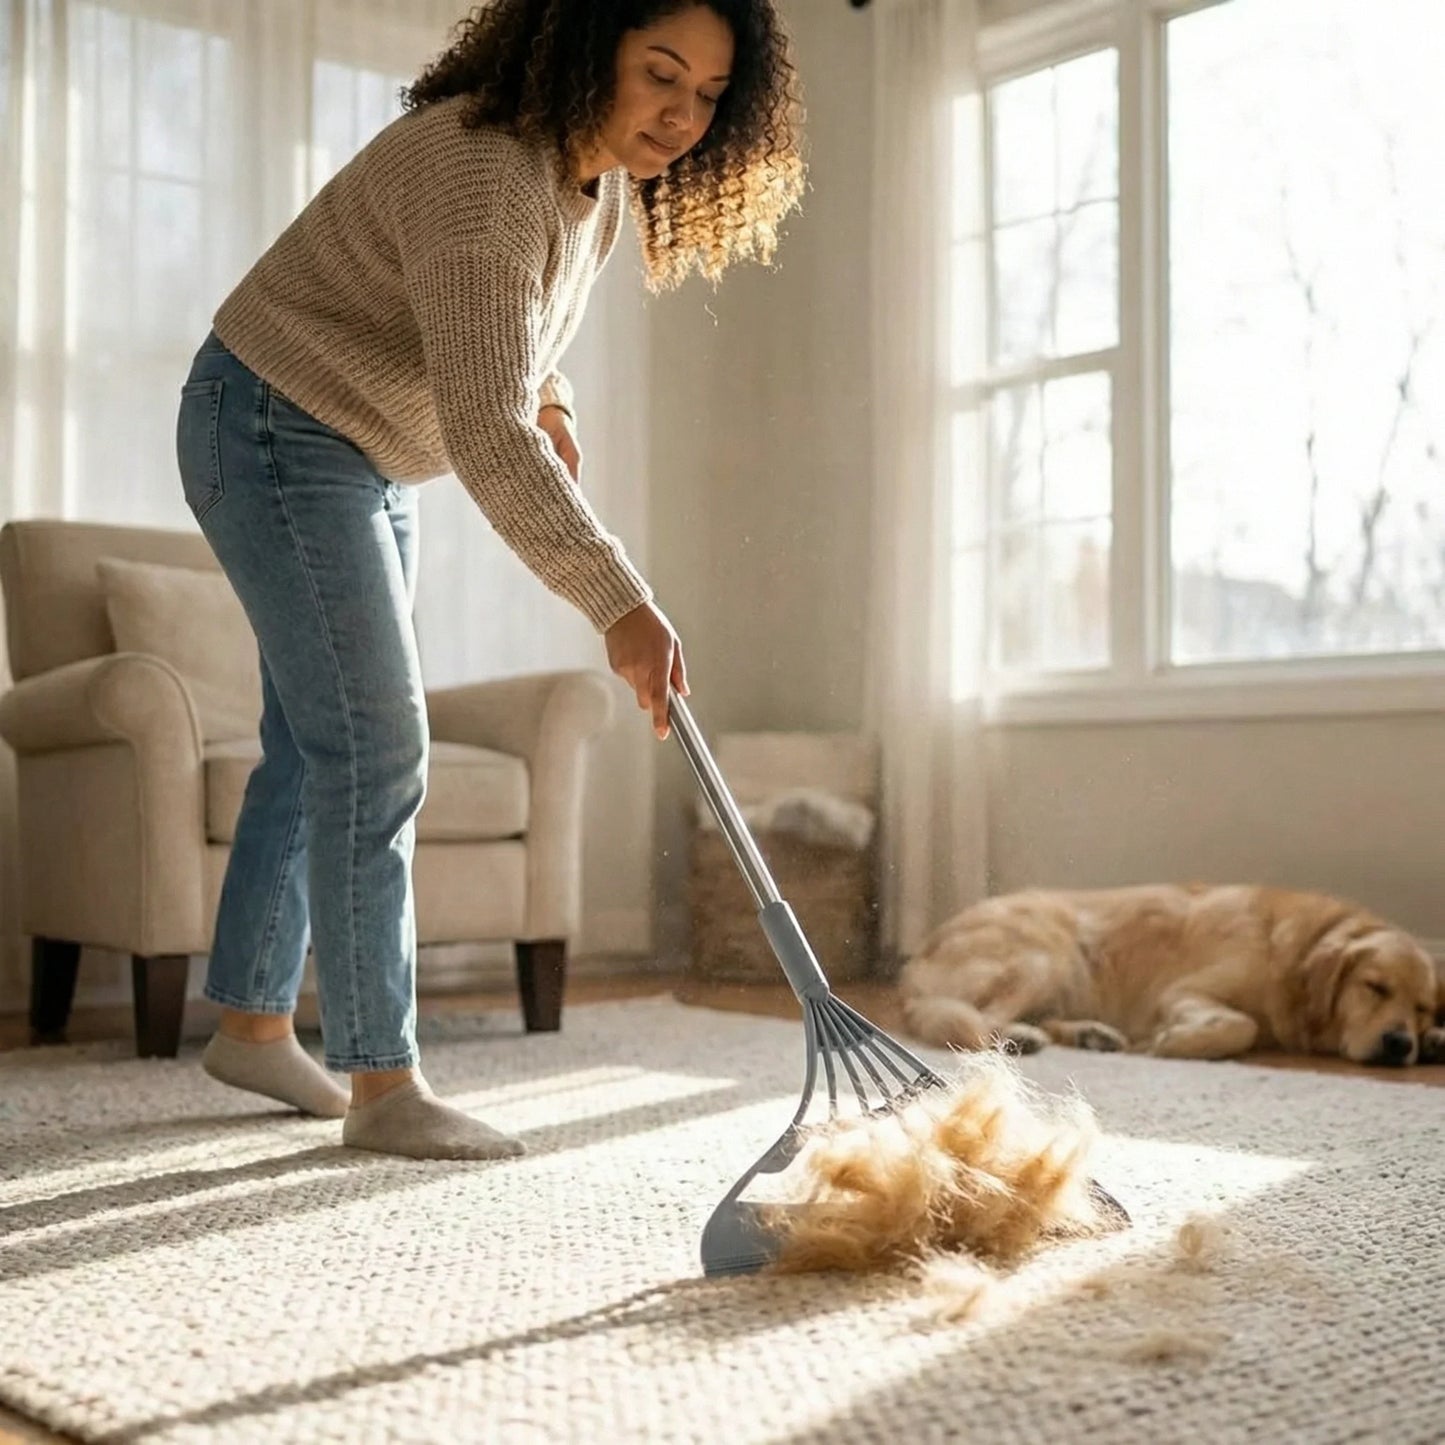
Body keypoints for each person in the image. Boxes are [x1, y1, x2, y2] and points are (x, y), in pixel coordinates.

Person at [175, 0, 804, 1159]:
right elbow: (481, 426)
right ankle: (384, 1083)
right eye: (658, 71)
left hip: (355, 445)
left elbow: (521, 334)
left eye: (708, 94)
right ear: (584, 48)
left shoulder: (593, 181)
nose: (680, 112)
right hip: (271, 422)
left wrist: (551, 398)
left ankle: (254, 1023)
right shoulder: (482, 170)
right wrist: (620, 599)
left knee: (318, 740)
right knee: (376, 742)